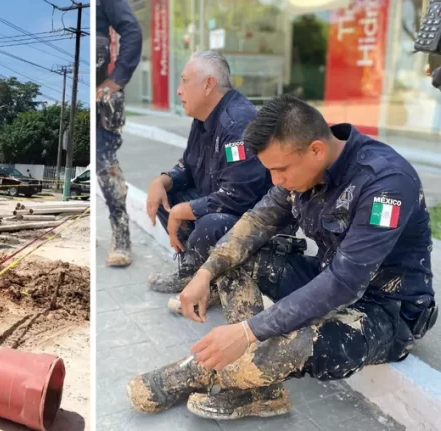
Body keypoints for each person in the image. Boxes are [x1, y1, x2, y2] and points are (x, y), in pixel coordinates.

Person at [127, 95, 437, 420]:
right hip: (325, 276)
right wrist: (205, 274)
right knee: (229, 255)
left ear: (316, 149)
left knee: (279, 351)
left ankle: (185, 374)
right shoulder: (302, 163)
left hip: (385, 311)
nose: (276, 181)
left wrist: (248, 333)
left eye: (280, 170)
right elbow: (259, 220)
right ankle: (263, 391)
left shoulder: (385, 185)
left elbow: (345, 282)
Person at [146, 51, 274, 296]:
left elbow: (240, 195)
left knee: (208, 223)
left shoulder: (237, 126)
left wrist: (185, 210)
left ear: (208, 85)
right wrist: (162, 180)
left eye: (184, 81)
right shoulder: (203, 119)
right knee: (165, 197)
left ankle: (215, 280)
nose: (178, 91)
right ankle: (192, 272)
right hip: (221, 202)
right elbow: (189, 166)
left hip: (254, 218)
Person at [96, 0, 142, 267]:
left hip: (104, 93)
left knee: (105, 162)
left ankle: (121, 233)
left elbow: (132, 30)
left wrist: (116, 80)